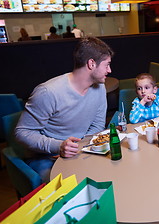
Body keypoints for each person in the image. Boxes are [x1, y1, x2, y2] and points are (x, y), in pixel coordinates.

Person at [15, 36, 114, 182]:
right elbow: (22, 132)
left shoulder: (99, 87)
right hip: (47, 157)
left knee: (109, 175)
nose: (110, 70)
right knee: (67, 190)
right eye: (107, 65)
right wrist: (58, 146)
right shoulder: (48, 92)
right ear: (91, 64)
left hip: (80, 151)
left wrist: (78, 146)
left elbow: (97, 125)